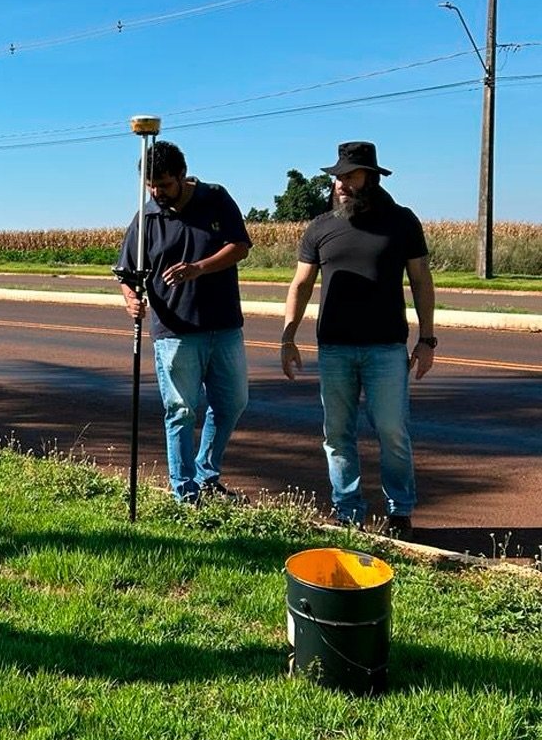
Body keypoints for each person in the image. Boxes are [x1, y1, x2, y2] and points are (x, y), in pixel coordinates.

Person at [280, 140, 436, 536]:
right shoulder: (320, 227)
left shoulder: (401, 221)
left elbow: (421, 280)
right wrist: (287, 337)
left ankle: (399, 511)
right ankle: (347, 511)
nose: (341, 184)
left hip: (386, 348)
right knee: (337, 435)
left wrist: (427, 339)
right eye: (338, 177)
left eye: (350, 176)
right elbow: (301, 284)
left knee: (392, 431)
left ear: (372, 178)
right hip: (334, 349)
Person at [116, 140, 252, 504]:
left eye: (164, 184)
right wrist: (131, 299)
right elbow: (126, 273)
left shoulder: (215, 197)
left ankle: (207, 473)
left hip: (224, 325)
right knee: (180, 410)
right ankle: (185, 490)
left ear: (182, 175)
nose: (157, 193)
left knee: (232, 403)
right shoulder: (147, 218)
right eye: (151, 186)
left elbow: (240, 246)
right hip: (174, 331)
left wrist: (198, 268)